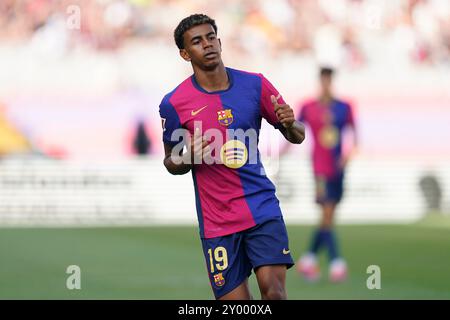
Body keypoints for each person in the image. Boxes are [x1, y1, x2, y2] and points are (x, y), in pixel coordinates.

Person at [158, 14, 305, 300]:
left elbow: (297, 135)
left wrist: (290, 124)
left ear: (220, 41)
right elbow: (171, 162)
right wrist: (190, 156)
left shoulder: (256, 85)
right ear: (185, 54)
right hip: (217, 223)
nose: (208, 44)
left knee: (274, 293)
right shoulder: (174, 103)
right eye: (197, 41)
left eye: (211, 37)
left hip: (261, 209)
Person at [296, 67, 357, 283]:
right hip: (319, 169)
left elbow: (354, 135)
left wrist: (347, 156)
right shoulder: (309, 106)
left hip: (338, 168)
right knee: (328, 213)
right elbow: (294, 130)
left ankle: (308, 260)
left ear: (332, 81)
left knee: (327, 217)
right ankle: (336, 263)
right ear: (319, 80)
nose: (326, 84)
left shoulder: (344, 107)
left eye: (329, 80)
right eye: (323, 80)